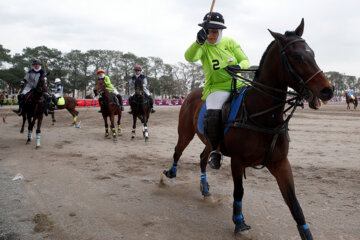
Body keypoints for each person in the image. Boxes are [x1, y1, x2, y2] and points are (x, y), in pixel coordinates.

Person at [184, 12, 250, 169]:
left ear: (220, 31)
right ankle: (216, 150)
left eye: (214, 31)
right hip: (217, 88)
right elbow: (189, 57)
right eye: (208, 31)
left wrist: (239, 67)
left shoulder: (230, 42)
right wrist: (197, 43)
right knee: (213, 115)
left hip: (238, 84)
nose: (211, 35)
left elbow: (245, 60)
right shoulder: (203, 46)